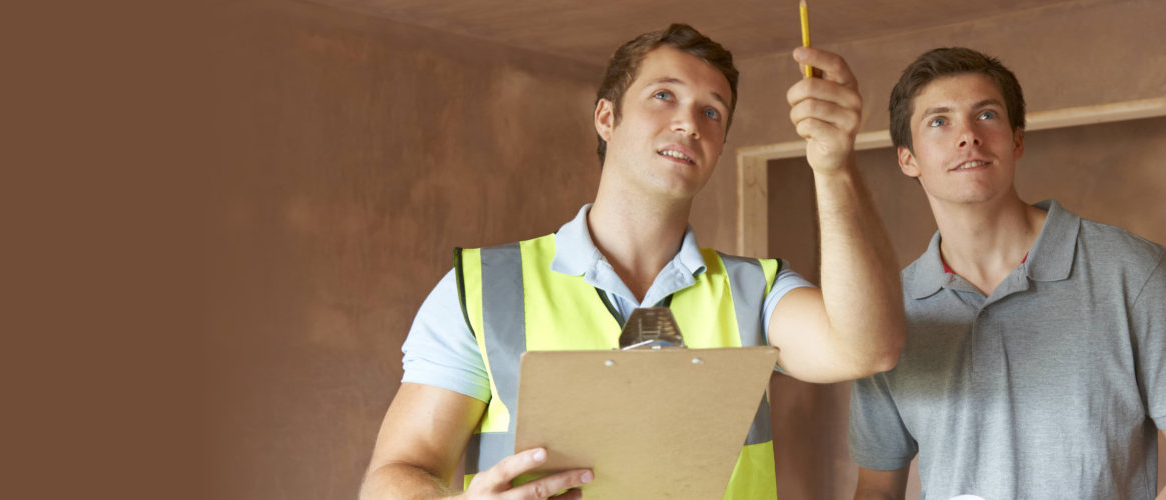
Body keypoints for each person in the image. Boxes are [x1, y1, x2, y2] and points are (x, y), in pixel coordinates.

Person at [360, 24, 903, 500]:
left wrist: (834, 168)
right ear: (606, 117)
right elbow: (395, 475)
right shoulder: (482, 289)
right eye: (664, 95)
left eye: (712, 111)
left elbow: (868, 346)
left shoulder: (756, 291)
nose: (689, 123)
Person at [847, 47, 1166, 500]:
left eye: (987, 115)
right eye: (939, 121)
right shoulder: (887, 310)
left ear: (1016, 140)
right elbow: (876, 488)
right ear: (908, 159)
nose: (968, 136)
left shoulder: (1130, 270)